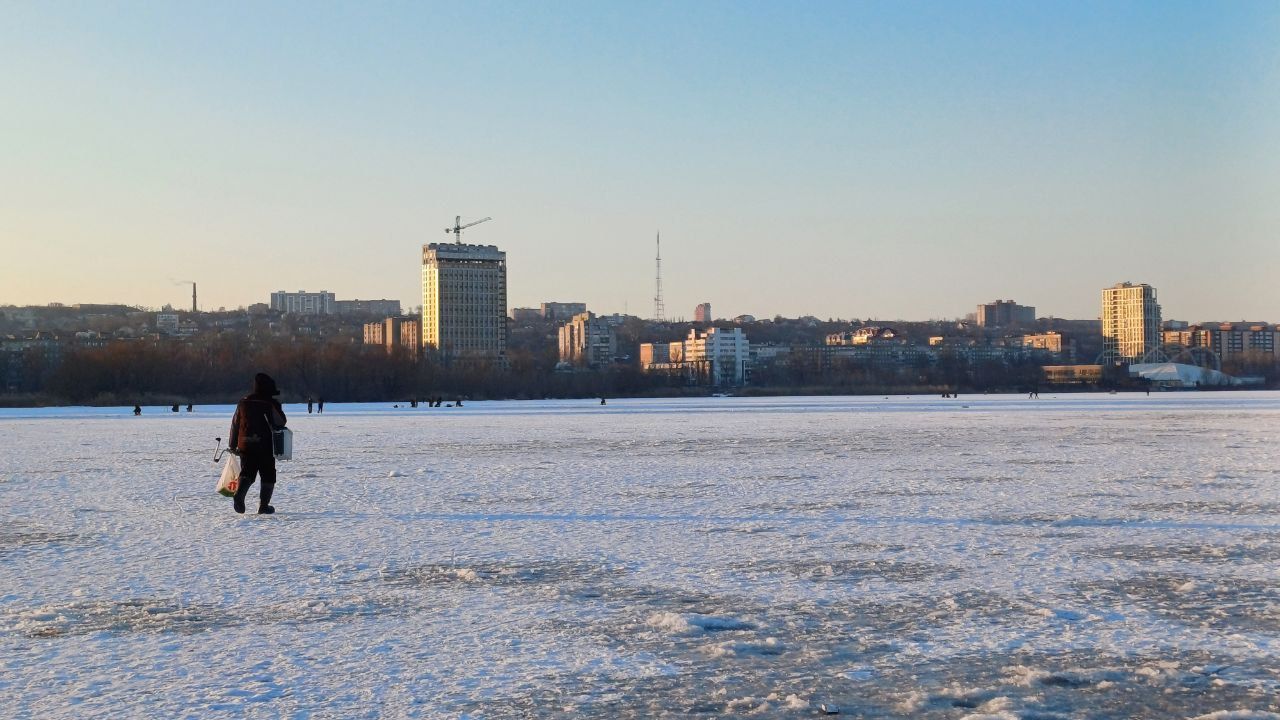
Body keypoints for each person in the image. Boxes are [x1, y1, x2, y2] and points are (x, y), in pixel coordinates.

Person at [228, 372, 287, 515]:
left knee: (247, 471)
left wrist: (232, 444)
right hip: (264, 445)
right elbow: (281, 421)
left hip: (245, 444)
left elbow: (235, 424)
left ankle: (239, 495)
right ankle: (263, 506)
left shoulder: (243, 402)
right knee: (268, 474)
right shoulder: (269, 403)